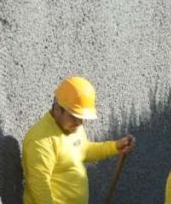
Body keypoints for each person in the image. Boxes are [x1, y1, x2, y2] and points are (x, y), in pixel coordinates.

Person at [22, 76, 135, 204]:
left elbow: (84, 150)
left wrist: (115, 147)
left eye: (82, 117)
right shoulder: (40, 140)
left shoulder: (73, 127)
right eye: (75, 116)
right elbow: (39, 187)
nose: (80, 122)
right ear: (58, 108)